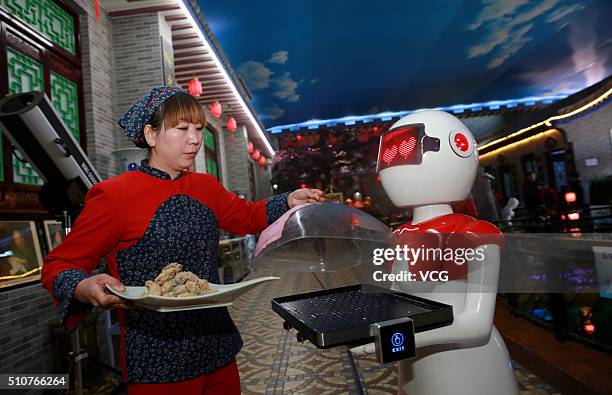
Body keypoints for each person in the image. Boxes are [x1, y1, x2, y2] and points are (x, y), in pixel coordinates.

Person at [41, 86, 324, 394]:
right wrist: (82, 287)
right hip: (157, 356)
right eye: (182, 128)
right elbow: (59, 264)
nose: (195, 139)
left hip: (216, 345)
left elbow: (248, 216)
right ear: (150, 135)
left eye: (199, 129)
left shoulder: (206, 187)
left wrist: (288, 200)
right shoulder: (113, 196)